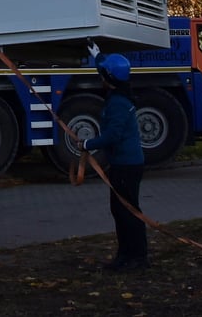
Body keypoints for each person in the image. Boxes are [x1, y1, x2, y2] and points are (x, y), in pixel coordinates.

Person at [79, 53, 147, 271]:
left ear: (109, 77)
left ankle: (135, 257)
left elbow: (113, 136)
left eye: (102, 74)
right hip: (125, 164)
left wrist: (88, 144)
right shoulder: (120, 97)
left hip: (126, 166)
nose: (99, 78)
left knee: (127, 211)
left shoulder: (117, 103)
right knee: (121, 210)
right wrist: (96, 52)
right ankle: (127, 255)